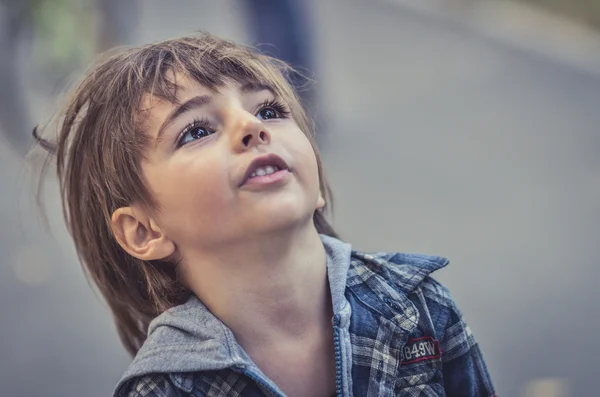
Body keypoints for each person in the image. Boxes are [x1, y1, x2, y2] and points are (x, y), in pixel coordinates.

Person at [34, 33, 496, 397]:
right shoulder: (165, 389)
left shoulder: (422, 310)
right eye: (196, 131)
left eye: (270, 109)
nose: (251, 127)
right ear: (143, 230)